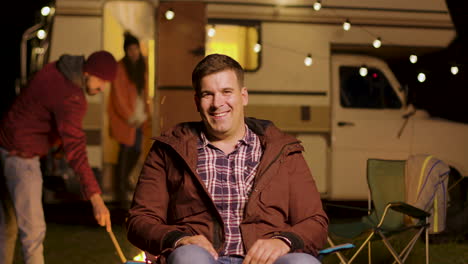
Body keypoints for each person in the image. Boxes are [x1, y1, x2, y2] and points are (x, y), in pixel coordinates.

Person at [126, 54, 329, 264]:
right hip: (200, 259)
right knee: (189, 258)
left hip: (266, 261)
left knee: (302, 263)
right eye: (207, 94)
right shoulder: (169, 149)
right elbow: (139, 220)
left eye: (226, 92)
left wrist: (284, 241)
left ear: (244, 96)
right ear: (197, 101)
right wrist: (179, 240)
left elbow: (315, 221)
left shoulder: (282, 151)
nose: (217, 103)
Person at [0, 50, 117, 264]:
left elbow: (42, 112)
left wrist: (56, 141)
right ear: (88, 72)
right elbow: (77, 150)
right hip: (22, 158)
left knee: (7, 226)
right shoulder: (72, 96)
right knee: (34, 233)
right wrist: (96, 199)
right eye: (101, 81)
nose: (102, 88)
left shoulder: (56, 69)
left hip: (5, 146)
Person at [108, 31, 150, 206]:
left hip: (139, 115)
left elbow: (144, 91)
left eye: (135, 49)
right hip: (126, 118)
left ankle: (124, 181)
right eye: (130, 49)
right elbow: (118, 95)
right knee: (125, 150)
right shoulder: (120, 67)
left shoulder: (142, 66)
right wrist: (128, 115)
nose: (133, 52)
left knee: (137, 150)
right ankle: (121, 187)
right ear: (126, 51)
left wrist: (146, 112)